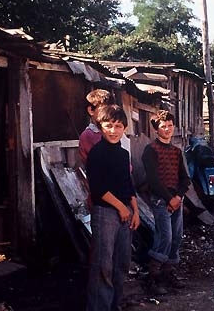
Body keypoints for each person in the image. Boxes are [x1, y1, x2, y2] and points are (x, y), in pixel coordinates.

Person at [86, 104, 140, 311]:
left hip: (125, 213)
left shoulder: (122, 154)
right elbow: (99, 189)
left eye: (118, 126)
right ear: (100, 127)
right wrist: (121, 208)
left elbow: (128, 184)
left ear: (124, 128)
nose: (113, 130)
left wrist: (134, 211)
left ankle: (114, 305)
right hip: (106, 213)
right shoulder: (97, 153)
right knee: (103, 265)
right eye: (108, 125)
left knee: (122, 264)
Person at [142, 110, 191, 295]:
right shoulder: (150, 150)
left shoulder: (176, 151)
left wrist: (178, 197)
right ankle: (152, 277)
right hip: (160, 200)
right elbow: (153, 181)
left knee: (177, 237)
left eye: (170, 125)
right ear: (156, 129)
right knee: (165, 237)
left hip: (176, 200)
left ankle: (168, 273)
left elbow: (185, 179)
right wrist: (169, 198)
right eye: (163, 126)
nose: (168, 129)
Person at [79, 89, 115, 166]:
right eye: (104, 110)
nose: (108, 114)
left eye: (110, 110)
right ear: (91, 110)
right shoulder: (89, 135)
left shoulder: (111, 131)